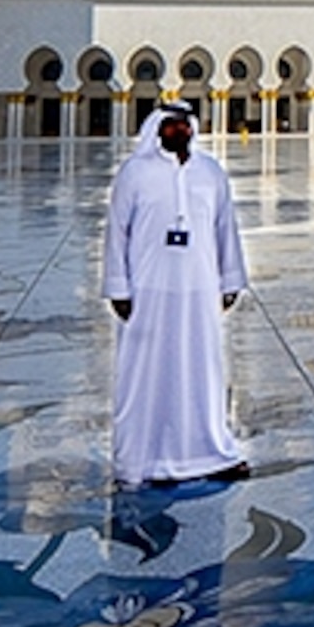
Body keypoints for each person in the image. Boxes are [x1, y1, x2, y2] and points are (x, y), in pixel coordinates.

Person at [103, 100, 250, 486]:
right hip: (147, 290)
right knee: (144, 374)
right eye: (169, 125)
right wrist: (118, 286)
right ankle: (140, 459)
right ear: (155, 130)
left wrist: (230, 280)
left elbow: (225, 229)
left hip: (199, 288)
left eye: (183, 125)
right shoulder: (134, 174)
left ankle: (209, 453)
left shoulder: (210, 173)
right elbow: (116, 234)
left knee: (202, 369)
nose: (178, 131)